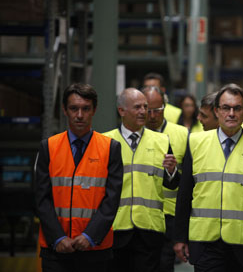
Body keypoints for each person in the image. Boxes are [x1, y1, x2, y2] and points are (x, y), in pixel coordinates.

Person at [173, 83, 243, 272]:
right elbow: (185, 193)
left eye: (237, 108)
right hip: (206, 242)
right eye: (226, 108)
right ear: (216, 111)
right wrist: (180, 237)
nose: (231, 113)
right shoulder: (196, 143)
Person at [35, 83, 123, 272]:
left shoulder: (111, 148)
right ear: (65, 110)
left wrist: (90, 236)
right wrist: (58, 237)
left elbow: (112, 199)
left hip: (95, 249)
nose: (80, 115)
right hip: (56, 249)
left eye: (86, 109)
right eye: (74, 108)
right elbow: (41, 199)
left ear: (94, 110)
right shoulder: (48, 147)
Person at [103, 88, 179, 272]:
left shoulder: (161, 140)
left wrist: (172, 171)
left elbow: (172, 183)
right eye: (137, 107)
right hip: (115, 230)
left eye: (145, 107)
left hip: (149, 232)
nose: (144, 112)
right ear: (122, 110)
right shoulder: (105, 141)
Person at [142, 86, 189, 272]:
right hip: (141, 217)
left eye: (158, 110)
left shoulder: (182, 135)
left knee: (164, 265)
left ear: (165, 107)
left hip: (170, 215)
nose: (152, 116)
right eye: (148, 110)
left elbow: (189, 181)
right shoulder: (134, 136)